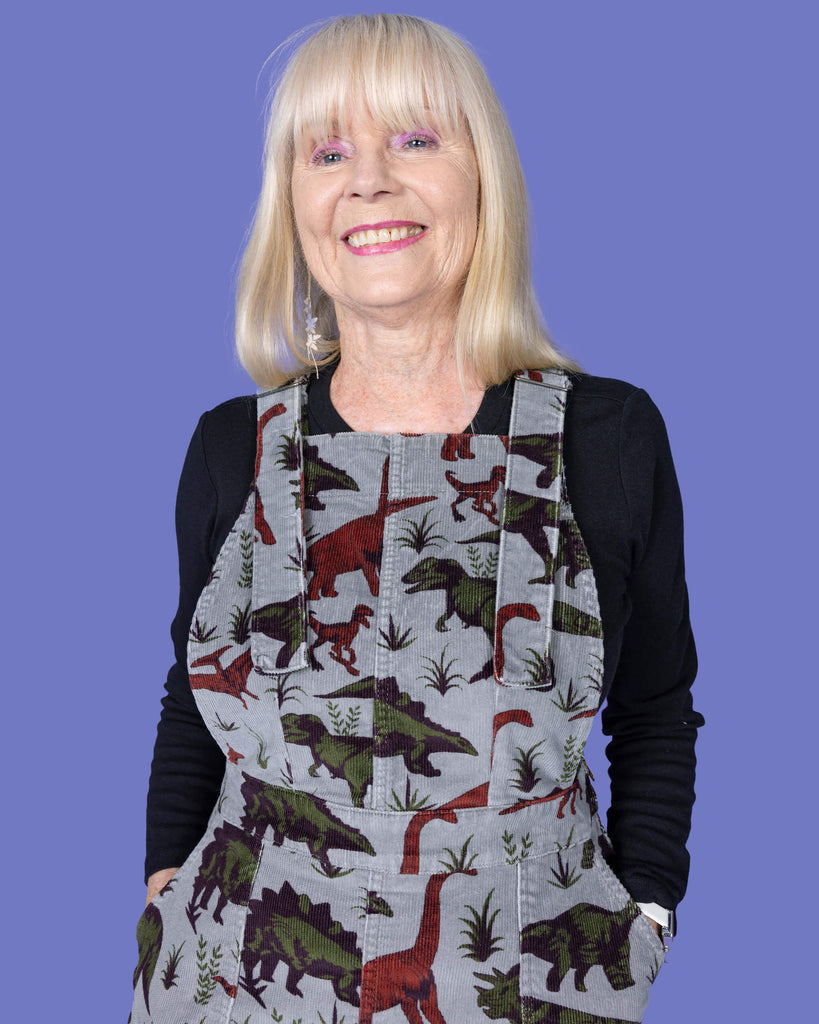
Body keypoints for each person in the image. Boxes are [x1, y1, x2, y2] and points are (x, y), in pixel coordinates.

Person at [131, 14, 702, 1024]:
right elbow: (193, 702)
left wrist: (646, 911)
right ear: (296, 201)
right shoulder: (234, 448)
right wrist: (162, 889)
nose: (370, 181)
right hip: (231, 990)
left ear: (483, 172)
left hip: (527, 993)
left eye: (416, 139)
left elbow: (653, 705)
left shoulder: (608, 438)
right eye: (331, 150)